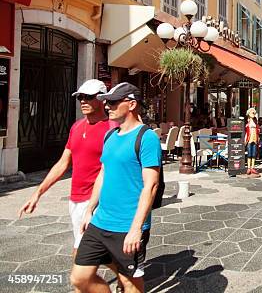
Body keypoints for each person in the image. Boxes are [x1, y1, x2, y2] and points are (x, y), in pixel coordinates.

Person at [71, 82, 161, 293]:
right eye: (106, 102)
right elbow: (104, 173)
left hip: (126, 225)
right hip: (101, 221)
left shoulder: (146, 138)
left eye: (112, 102)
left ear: (130, 104)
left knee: (130, 283)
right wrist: (90, 209)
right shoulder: (110, 136)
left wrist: (136, 228)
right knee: (80, 278)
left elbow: (151, 185)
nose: (107, 106)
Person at [19, 80, 119, 259]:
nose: (83, 101)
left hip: (97, 202)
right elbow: (63, 163)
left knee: (81, 256)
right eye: (80, 97)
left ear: (103, 99)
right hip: (75, 199)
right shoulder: (76, 127)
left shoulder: (113, 129)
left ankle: (122, 279)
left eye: (89, 97)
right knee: (98, 255)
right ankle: (125, 277)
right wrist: (37, 193)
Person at [244, 108, 260, 175]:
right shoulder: (248, 124)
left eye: (254, 113)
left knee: (253, 154)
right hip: (249, 139)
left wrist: (258, 138)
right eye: (252, 113)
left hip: (255, 139)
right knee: (249, 153)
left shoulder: (256, 123)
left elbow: (258, 131)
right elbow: (246, 132)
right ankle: (248, 167)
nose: (253, 114)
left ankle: (252, 167)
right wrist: (245, 140)